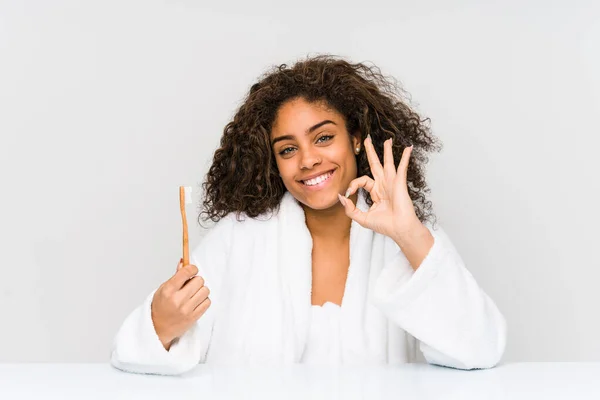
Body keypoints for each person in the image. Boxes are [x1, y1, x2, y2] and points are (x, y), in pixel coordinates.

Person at [110, 55, 507, 375]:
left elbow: (478, 347)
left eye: (323, 137)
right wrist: (160, 325)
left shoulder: (406, 238)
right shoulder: (238, 239)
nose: (308, 161)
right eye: (287, 149)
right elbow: (131, 350)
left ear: (354, 138)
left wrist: (410, 235)